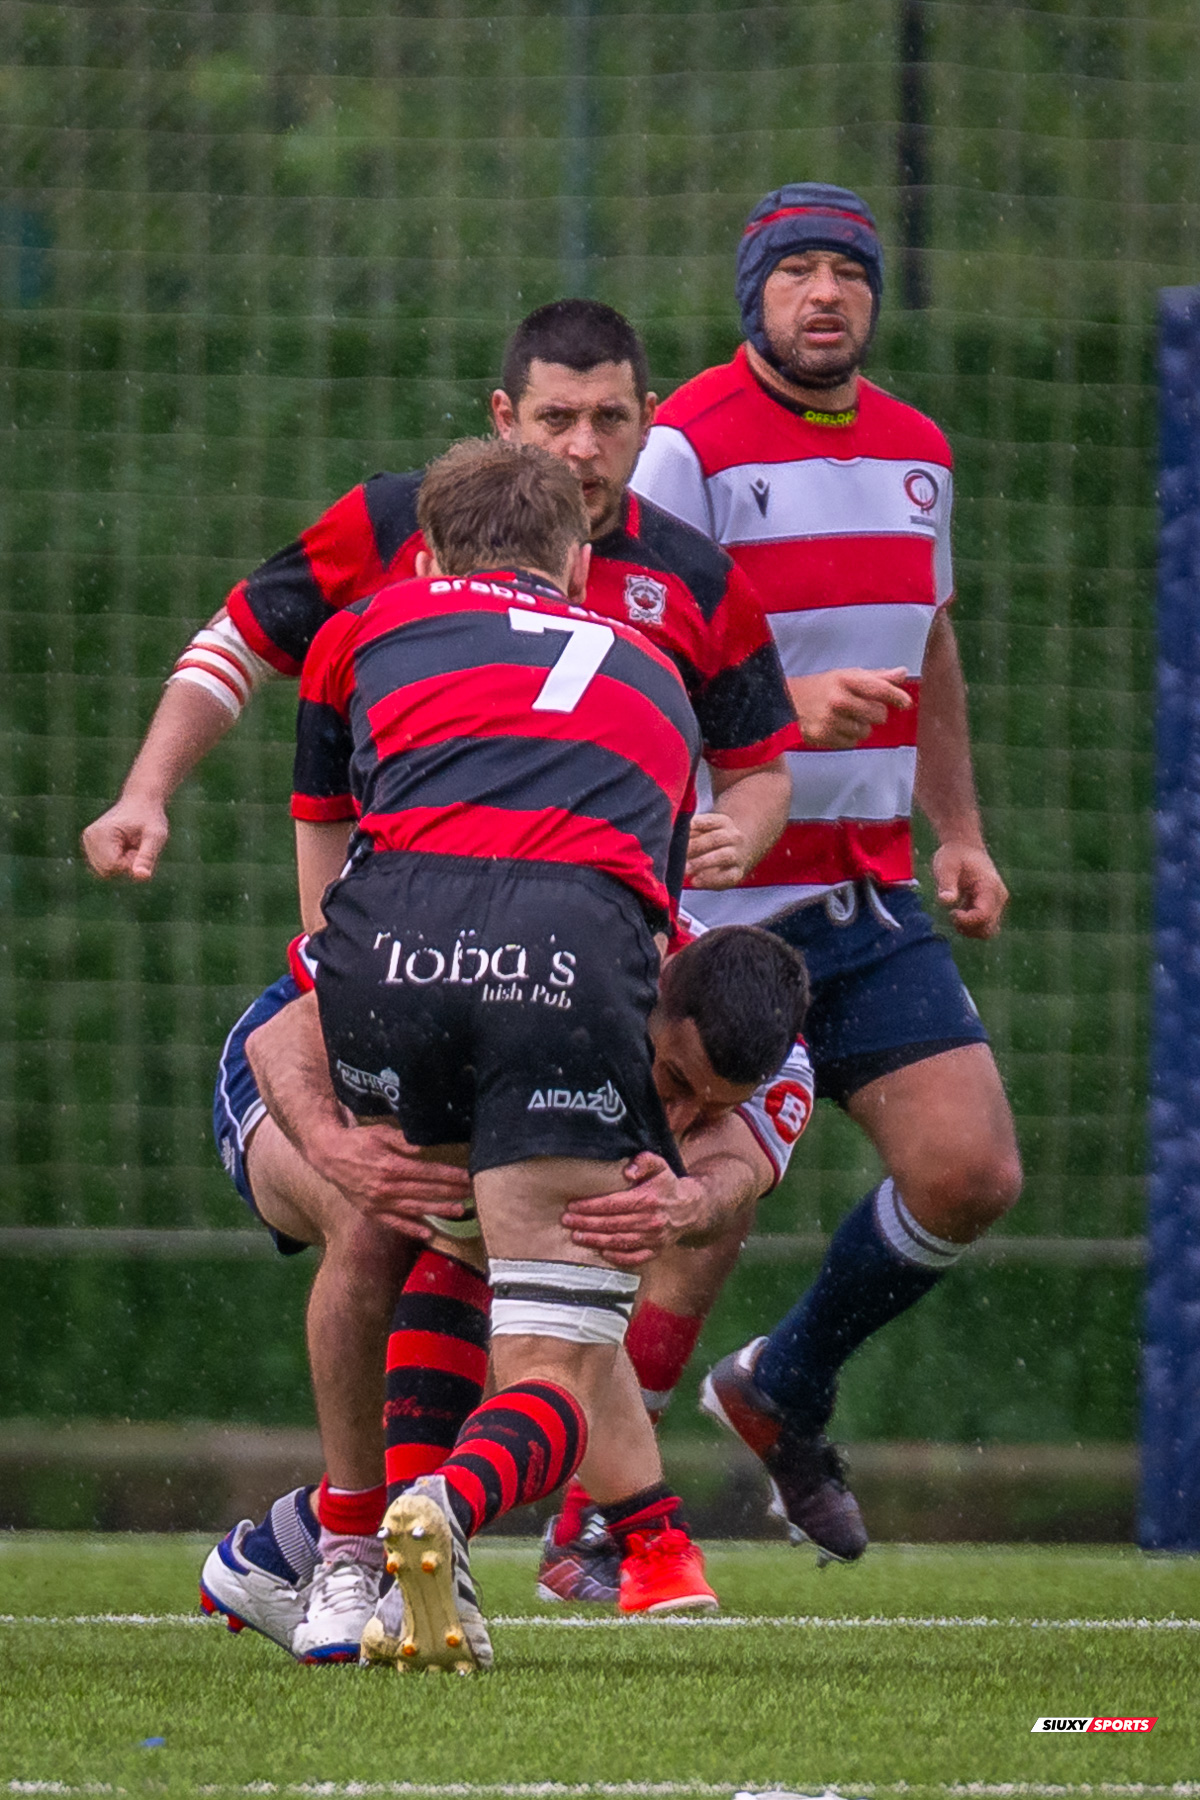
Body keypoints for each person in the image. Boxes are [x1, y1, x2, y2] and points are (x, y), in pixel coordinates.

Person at [282, 432, 803, 1671]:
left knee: (424, 1221)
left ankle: (353, 1549)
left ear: (429, 550)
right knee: (555, 1357)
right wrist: (681, 1179)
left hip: (376, 961)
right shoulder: (661, 676)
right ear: (578, 559)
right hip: (567, 968)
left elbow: (320, 870)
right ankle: (448, 1513)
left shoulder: (366, 626)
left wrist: (342, 1098)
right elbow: (637, 906)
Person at [631, 182, 1023, 1563]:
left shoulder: (920, 449)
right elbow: (626, 656)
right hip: (723, 899)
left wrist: (959, 827)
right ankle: (601, 1522)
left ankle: (782, 1382)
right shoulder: (683, 444)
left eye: (847, 273)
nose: (825, 295)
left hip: (869, 894)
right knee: (698, 1211)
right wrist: (783, 710)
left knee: (970, 1171)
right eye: (796, 271)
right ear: (755, 294)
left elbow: (931, 650)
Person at [201, 915, 813, 1657]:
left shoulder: (781, 1068)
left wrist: (689, 1199)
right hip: (295, 1079)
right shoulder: (555, 942)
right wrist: (335, 1146)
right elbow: (285, 1037)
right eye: (674, 1079)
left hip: (446, 1096)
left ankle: (307, 1546)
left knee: (506, 1232)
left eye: (708, 1109)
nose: (676, 1118)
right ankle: (348, 1551)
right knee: (389, 1218)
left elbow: (737, 1174)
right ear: (650, 991)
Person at [80, 301, 797, 901]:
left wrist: (737, 827)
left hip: (603, 928)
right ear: (505, 417)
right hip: (406, 912)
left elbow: (759, 771)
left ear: (648, 418)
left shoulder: (698, 579)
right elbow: (236, 645)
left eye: (609, 419)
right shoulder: (398, 519)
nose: (582, 447)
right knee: (276, 1058)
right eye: (556, 419)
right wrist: (145, 791)